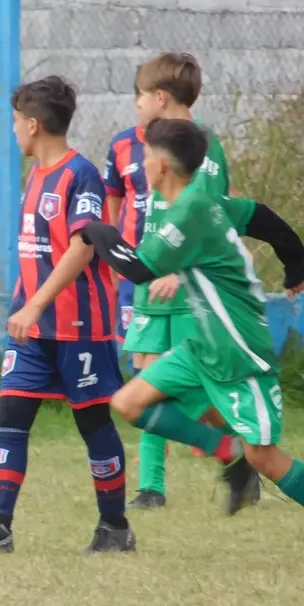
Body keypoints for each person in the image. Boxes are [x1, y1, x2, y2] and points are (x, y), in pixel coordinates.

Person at [81, 117, 304, 566]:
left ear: (160, 165)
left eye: (146, 155)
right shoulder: (192, 204)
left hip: (238, 351)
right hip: (203, 346)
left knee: (267, 457)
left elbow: (137, 269)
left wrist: (96, 230)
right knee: (129, 403)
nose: (142, 163)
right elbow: (264, 217)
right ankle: (227, 452)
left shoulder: (192, 211)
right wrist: (294, 264)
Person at [0, 76, 134, 555]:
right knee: (11, 415)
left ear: (32, 124)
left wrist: (37, 303)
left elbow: (83, 246)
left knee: (93, 425)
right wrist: (24, 307)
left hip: (79, 328)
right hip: (32, 329)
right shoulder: (36, 176)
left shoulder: (79, 174)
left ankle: (115, 528)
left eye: (15, 123)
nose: (13, 132)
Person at [102, 52, 252, 511]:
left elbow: (212, 220)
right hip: (152, 282)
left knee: (196, 389)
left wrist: (177, 268)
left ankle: (236, 454)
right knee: (146, 377)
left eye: (140, 96)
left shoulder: (206, 149)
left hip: (188, 286)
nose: (136, 105)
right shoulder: (143, 145)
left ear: (159, 97)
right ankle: (152, 486)